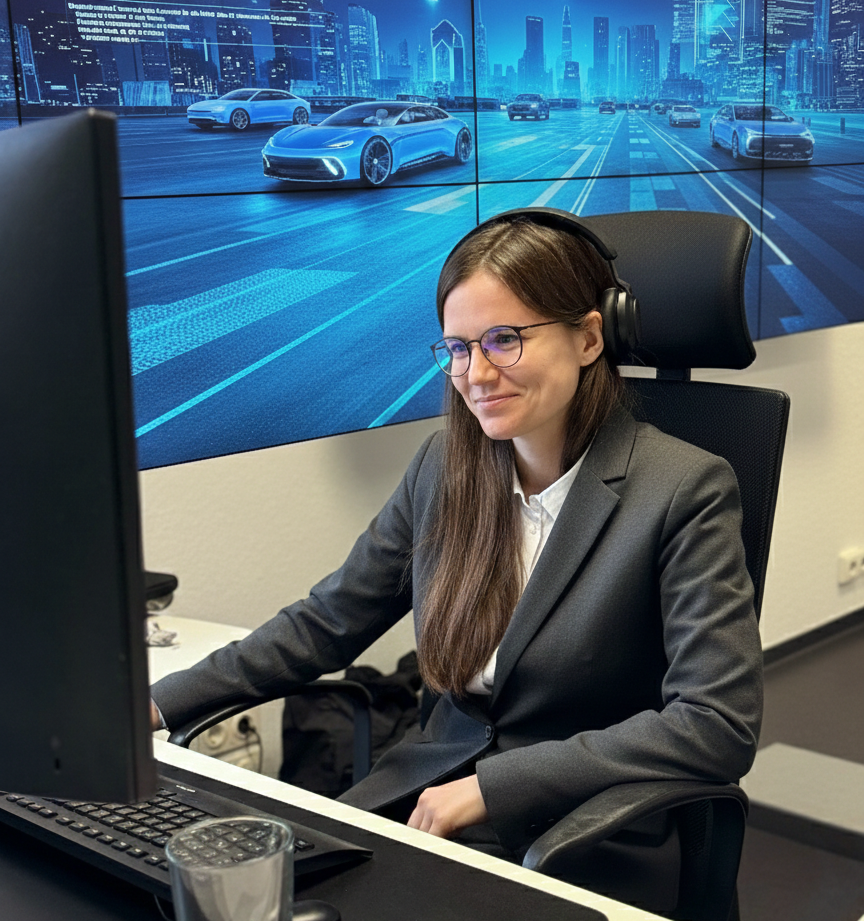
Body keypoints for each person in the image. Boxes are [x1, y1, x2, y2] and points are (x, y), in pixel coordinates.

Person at [150, 212, 762, 864]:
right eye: (459, 348)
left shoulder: (684, 488)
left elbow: (716, 724)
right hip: (425, 798)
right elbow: (326, 623)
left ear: (589, 338)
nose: (475, 374)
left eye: (504, 339)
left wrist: (494, 789)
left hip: (580, 829)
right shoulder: (442, 468)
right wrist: (160, 705)